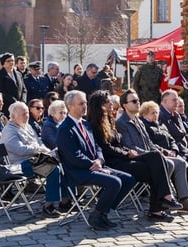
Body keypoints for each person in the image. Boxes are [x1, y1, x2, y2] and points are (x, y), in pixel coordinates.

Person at [86, 90, 180, 221]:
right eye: (107, 102)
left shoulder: (109, 119)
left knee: (156, 157)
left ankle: (162, 203)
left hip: (122, 156)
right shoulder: (95, 124)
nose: (112, 104)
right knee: (154, 168)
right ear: (99, 105)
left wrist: (126, 152)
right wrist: (126, 153)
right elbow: (105, 148)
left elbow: (118, 144)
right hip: (113, 162)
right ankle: (159, 207)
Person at [56, 91, 135, 230]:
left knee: (128, 179)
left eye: (85, 103)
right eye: (81, 104)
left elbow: (97, 146)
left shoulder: (85, 124)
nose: (85, 106)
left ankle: (103, 211)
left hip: (95, 166)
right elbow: (74, 156)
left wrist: (99, 160)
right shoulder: (65, 128)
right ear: (70, 106)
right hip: (78, 171)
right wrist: (94, 165)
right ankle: (96, 215)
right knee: (115, 182)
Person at [1, 101, 64, 217]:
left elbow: (39, 141)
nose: (26, 116)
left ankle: (66, 200)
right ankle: (49, 206)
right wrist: (39, 149)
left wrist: (47, 151)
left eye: (27, 113)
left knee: (63, 162)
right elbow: (20, 149)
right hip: (19, 166)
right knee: (53, 169)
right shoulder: (9, 131)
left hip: (34, 161)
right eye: (23, 114)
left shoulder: (27, 126)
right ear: (13, 116)